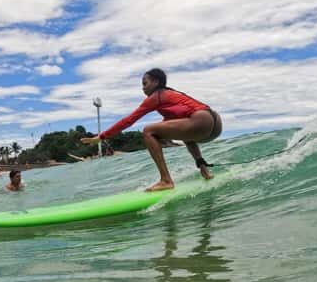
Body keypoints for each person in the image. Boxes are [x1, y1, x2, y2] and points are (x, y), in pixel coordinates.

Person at [81, 68, 221, 191]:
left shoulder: (157, 96)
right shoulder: (172, 96)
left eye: (145, 83)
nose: (143, 88)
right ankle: (205, 171)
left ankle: (166, 180)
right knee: (184, 135)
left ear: (156, 82)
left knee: (148, 131)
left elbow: (129, 120)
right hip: (214, 123)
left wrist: (101, 137)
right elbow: (185, 133)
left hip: (201, 121)